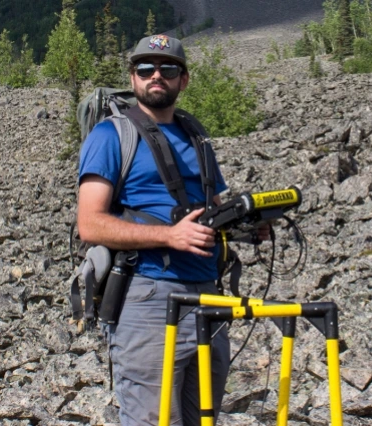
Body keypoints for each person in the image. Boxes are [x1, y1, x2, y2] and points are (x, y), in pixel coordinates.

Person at [77, 34, 234, 426]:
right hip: (147, 294)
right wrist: (169, 236)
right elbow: (89, 223)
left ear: (184, 79)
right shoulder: (111, 136)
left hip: (209, 294)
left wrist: (249, 224)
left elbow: (214, 205)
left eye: (168, 68)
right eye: (145, 68)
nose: (156, 76)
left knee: (204, 418)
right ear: (132, 78)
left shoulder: (197, 135)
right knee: (152, 419)